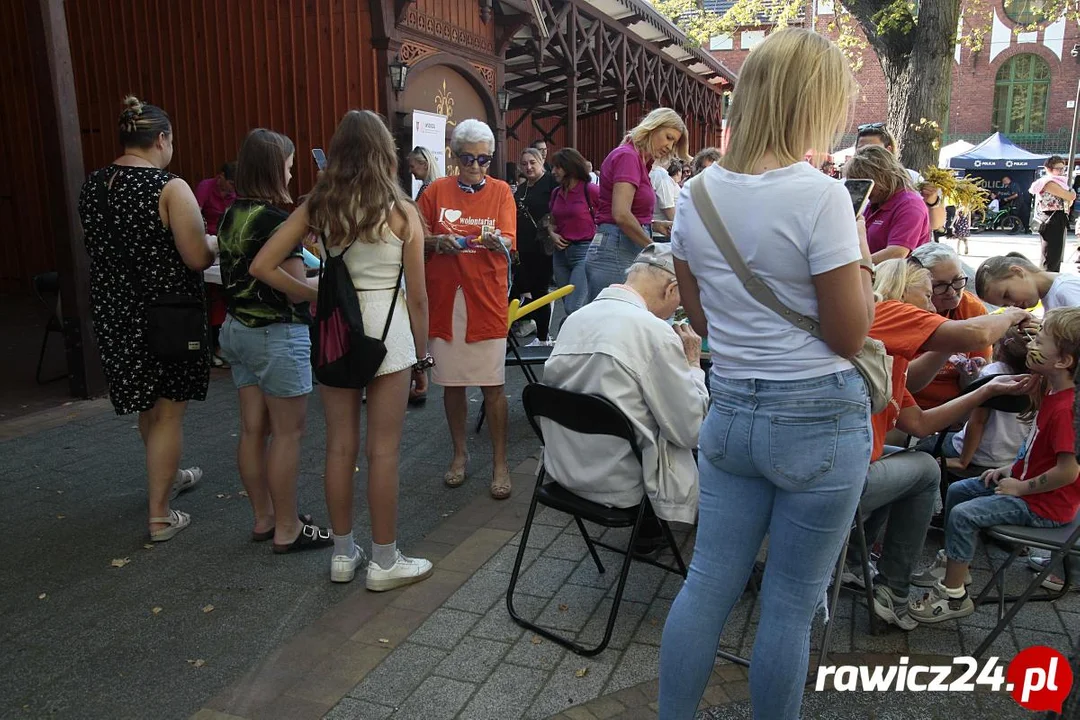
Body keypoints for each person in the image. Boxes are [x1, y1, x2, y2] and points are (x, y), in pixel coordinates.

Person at [658, 29, 876, 719]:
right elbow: (850, 334)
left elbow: (703, 318)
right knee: (787, 604)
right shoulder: (820, 197)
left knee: (706, 584)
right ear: (812, 105)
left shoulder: (696, 195)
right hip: (818, 416)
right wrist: (863, 257)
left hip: (732, 410)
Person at [251, 110, 432, 589]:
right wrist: (423, 356)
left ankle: (342, 553)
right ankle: (385, 560)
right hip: (388, 334)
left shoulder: (319, 207)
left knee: (338, 448)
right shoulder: (401, 212)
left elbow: (263, 265)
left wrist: (317, 296)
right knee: (384, 452)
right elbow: (417, 295)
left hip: (336, 328)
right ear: (384, 153)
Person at [856, 259, 1035, 630]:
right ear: (902, 291)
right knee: (922, 470)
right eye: (927, 294)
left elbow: (918, 422)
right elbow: (977, 335)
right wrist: (1011, 313)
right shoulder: (887, 311)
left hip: (848, 462)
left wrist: (985, 390)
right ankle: (892, 588)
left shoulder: (890, 351)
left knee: (913, 462)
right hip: (841, 474)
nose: (935, 306)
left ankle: (861, 566)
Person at [77, 96, 215, 541]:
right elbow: (195, 256)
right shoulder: (169, 187)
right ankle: (160, 515)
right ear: (160, 139)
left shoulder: (93, 185)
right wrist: (213, 243)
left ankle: (168, 477)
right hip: (166, 313)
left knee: (146, 405)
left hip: (116, 313)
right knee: (170, 413)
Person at [910, 308, 1080, 623]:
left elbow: (1068, 471)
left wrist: (1021, 486)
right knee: (959, 491)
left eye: (1040, 342)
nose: (1031, 345)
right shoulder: (1054, 393)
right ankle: (957, 566)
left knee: (963, 514)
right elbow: (1035, 451)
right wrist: (1010, 471)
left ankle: (953, 596)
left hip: (1044, 507)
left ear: (1063, 361)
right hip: (1027, 488)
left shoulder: (1065, 410)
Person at [216, 128, 332, 552]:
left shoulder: (232, 214)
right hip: (277, 333)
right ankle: (288, 527)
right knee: (288, 433)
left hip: (236, 331)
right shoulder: (274, 220)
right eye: (288, 165)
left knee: (252, 431)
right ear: (273, 169)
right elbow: (292, 287)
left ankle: (265, 517)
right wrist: (323, 290)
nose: (291, 172)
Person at [541, 244, 707, 525]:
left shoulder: (574, 319)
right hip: (621, 482)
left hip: (564, 469)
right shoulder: (653, 332)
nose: (675, 310)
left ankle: (650, 534)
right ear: (671, 288)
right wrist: (692, 365)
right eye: (679, 302)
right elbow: (691, 431)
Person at [417, 119, 517, 500]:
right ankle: (459, 455)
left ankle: (500, 463)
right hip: (447, 299)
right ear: (455, 157)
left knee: (494, 385)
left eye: (484, 159)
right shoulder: (435, 191)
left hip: (486, 300)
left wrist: (496, 241)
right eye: (467, 158)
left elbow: (510, 239)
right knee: (453, 385)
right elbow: (415, 236)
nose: (476, 166)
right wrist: (436, 243)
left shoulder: (502, 192)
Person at [586, 108, 688, 303]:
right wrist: (654, 249)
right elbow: (621, 214)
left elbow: (622, 211)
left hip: (617, 244)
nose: (669, 146)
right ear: (652, 127)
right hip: (617, 246)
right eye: (668, 137)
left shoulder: (636, 159)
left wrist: (655, 224)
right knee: (616, 318)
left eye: (673, 142)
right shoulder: (628, 157)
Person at [909, 243, 991, 409]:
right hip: (910, 409)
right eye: (939, 286)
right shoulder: (904, 311)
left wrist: (972, 375)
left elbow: (980, 376)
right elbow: (901, 381)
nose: (952, 292)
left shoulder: (973, 309)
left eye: (957, 280)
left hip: (957, 408)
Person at [945, 327, 1035, 478]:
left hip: (979, 455)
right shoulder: (1046, 378)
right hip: (1013, 458)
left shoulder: (992, 373)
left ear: (999, 350)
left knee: (924, 447)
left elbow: (978, 421)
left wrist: (963, 461)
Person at [846, 145, 930, 263]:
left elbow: (897, 253)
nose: (863, 190)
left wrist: (858, 267)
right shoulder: (875, 202)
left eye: (866, 183)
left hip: (898, 279)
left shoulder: (910, 205)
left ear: (882, 177)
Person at [511, 148, 558, 345]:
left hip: (543, 247)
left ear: (541, 162)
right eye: (524, 164)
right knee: (517, 291)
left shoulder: (550, 183)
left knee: (539, 291)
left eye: (532, 162)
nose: (528, 167)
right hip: (523, 249)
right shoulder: (522, 189)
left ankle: (543, 337)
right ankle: (529, 328)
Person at [548, 148, 600, 317]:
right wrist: (551, 233)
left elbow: (609, 215)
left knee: (573, 306)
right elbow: (552, 221)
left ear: (569, 167)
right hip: (560, 254)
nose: (553, 171)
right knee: (567, 304)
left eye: (558, 167)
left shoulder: (590, 190)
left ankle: (582, 340)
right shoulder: (556, 193)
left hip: (584, 251)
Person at [196, 163, 237, 369]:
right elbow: (195, 212)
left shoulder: (233, 195)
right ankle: (211, 347)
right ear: (221, 177)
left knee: (224, 296)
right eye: (230, 182)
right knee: (211, 296)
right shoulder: (206, 187)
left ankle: (223, 347)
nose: (232, 188)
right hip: (206, 242)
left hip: (224, 244)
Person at [976, 251, 1080, 310]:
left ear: (1018, 272)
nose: (1012, 305)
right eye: (1005, 305)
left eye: (1006, 295)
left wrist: (1047, 330)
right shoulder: (1050, 296)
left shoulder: (1065, 289)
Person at [1030, 156, 1075, 272]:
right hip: (1051, 218)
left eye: (1063, 168)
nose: (1061, 171)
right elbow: (1070, 196)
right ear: (1048, 169)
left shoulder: (1059, 182)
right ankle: (1047, 280)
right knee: (1050, 254)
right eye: (1058, 168)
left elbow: (1068, 200)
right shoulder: (1048, 182)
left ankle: (1051, 278)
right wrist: (1071, 194)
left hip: (1057, 217)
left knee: (1055, 253)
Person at [855, 122, 921, 184]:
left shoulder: (910, 178)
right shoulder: (848, 182)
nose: (866, 153)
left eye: (874, 149)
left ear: (888, 150)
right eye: (862, 148)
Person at [649, 157, 679, 241]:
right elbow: (667, 206)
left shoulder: (652, 173)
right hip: (663, 233)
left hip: (655, 230)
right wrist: (680, 228)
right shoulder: (660, 174)